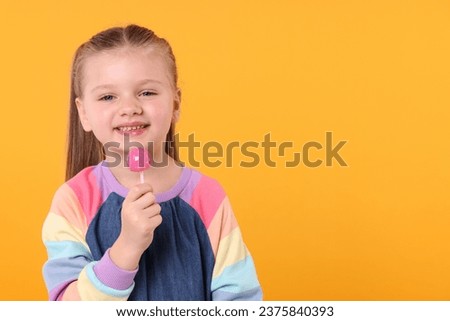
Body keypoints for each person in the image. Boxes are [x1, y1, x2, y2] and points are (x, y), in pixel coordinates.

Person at [41, 24, 262, 301]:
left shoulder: (208, 197)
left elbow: (240, 298)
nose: (130, 107)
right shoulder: (73, 200)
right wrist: (126, 249)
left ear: (176, 104)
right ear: (84, 113)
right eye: (108, 96)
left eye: (146, 92)